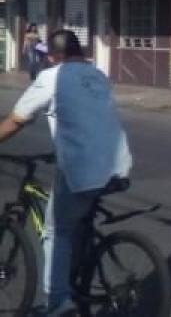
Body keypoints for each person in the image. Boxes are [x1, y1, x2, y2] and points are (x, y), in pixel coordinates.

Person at [0, 30, 133, 316]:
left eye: (49, 55)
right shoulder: (98, 75)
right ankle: (77, 271)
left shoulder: (52, 77)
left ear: (54, 56)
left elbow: (17, 119)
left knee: (56, 230)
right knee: (77, 219)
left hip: (82, 169)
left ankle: (58, 302)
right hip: (117, 165)